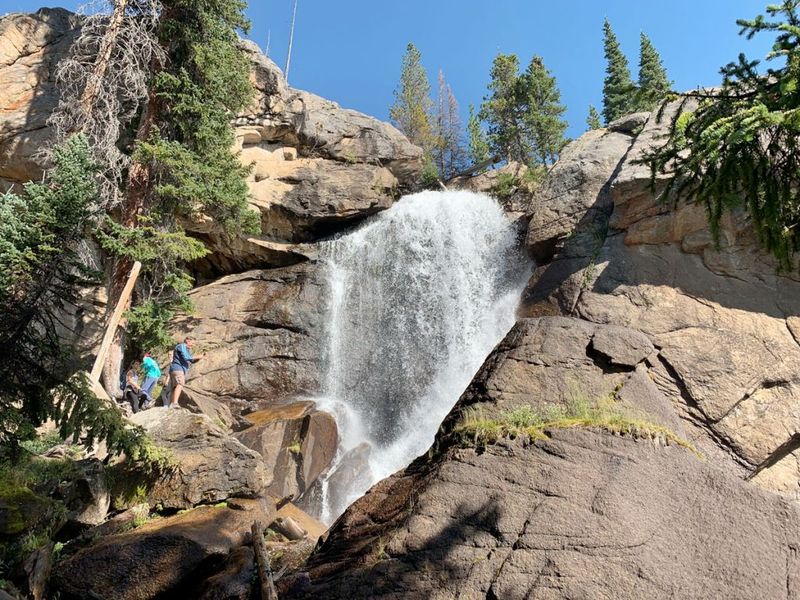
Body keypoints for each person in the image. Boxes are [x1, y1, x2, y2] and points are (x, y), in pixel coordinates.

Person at [169, 336, 206, 409]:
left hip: (176, 369)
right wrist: (197, 356)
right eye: (192, 343)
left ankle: (171, 403)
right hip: (178, 369)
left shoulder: (186, 350)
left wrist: (200, 358)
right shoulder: (182, 346)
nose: (193, 345)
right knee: (180, 384)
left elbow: (191, 361)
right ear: (187, 341)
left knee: (175, 387)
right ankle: (174, 403)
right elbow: (186, 357)